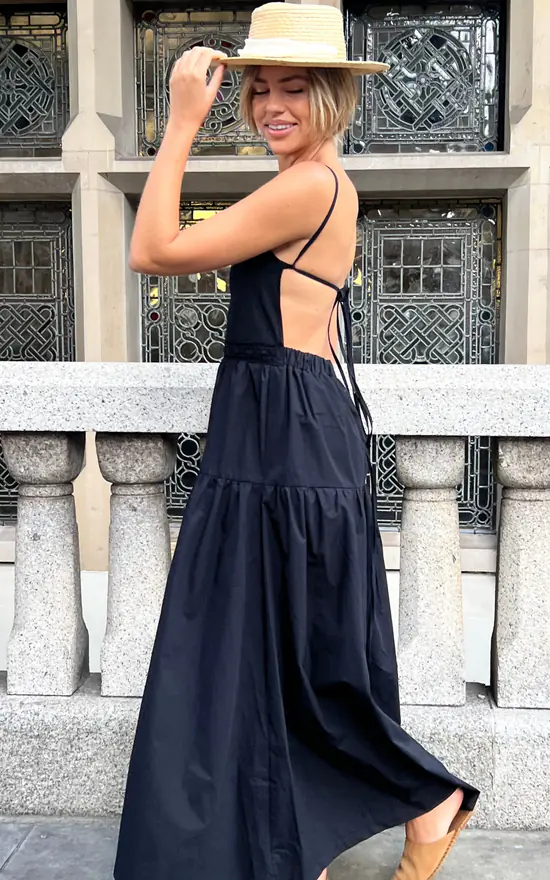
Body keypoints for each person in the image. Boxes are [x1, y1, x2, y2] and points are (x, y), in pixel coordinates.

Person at [113, 4, 479, 879]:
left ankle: (427, 802)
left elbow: (152, 248)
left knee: (292, 649)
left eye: (294, 89)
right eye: (259, 89)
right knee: (275, 643)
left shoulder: (310, 186)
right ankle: (296, 835)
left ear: (332, 98)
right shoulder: (319, 184)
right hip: (281, 425)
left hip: (284, 434)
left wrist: (180, 123)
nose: (271, 106)